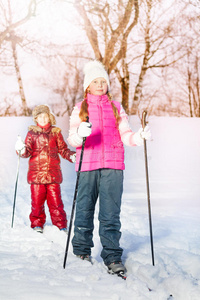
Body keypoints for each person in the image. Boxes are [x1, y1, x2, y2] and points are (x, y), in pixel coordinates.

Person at [67, 60, 151, 275]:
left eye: (103, 81)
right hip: (87, 166)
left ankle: (113, 256)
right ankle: (81, 251)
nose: (100, 84)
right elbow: (73, 140)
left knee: (110, 213)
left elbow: (125, 134)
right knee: (84, 210)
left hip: (113, 166)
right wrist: (80, 134)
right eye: (95, 81)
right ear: (88, 85)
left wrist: (138, 137)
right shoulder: (80, 108)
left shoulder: (116, 108)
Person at [15, 104, 76, 234]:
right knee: (37, 202)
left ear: (50, 117)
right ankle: (37, 224)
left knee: (56, 202)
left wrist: (72, 156)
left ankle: (61, 225)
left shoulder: (56, 133)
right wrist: (21, 149)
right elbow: (27, 152)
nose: (43, 119)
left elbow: (63, 150)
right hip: (36, 176)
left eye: (45, 116)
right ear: (36, 119)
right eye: (40, 117)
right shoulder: (31, 134)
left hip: (53, 174)